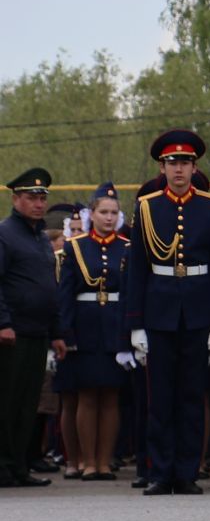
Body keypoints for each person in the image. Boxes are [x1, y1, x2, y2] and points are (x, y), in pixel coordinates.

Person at [124, 133, 210, 496]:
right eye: (172, 163)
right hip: (159, 310)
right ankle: (159, 471)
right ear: (162, 168)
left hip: (198, 310)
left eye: (185, 162)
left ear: (194, 167)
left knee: (191, 394)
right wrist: (135, 323)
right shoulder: (147, 207)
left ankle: (186, 471)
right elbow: (137, 269)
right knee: (160, 397)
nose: (178, 169)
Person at [52, 182, 128, 480]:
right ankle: (85, 461)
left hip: (114, 324)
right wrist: (65, 332)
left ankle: (104, 461)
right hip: (84, 326)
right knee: (85, 395)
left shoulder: (127, 247)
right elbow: (66, 295)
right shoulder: (75, 246)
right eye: (103, 212)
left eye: (114, 212)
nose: (108, 218)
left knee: (110, 395)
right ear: (91, 214)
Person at [0, 169, 62, 489]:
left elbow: (47, 287)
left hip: (37, 331)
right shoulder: (5, 233)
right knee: (7, 403)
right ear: (15, 199)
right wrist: (3, 322)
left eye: (42, 198)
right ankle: (3, 467)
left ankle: (19, 466)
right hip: (13, 335)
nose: (38, 204)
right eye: (31, 198)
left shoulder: (40, 236)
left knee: (27, 404)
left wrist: (57, 332)